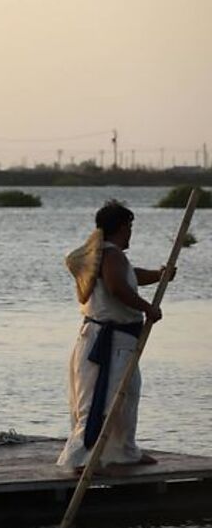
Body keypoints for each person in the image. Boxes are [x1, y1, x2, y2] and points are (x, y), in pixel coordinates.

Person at [57, 200, 172, 472]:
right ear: (123, 227)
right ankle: (81, 458)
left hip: (112, 340)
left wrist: (159, 275)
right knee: (100, 400)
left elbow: (129, 277)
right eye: (130, 226)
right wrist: (148, 308)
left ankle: (124, 452)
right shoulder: (110, 255)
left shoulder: (109, 255)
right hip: (108, 342)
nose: (131, 232)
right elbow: (117, 286)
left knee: (127, 395)